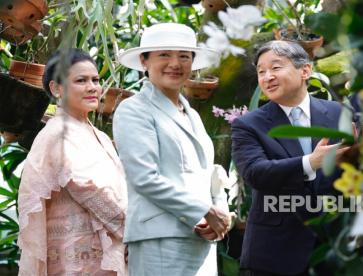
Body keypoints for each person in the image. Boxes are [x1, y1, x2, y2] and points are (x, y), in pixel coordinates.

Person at [113, 23, 230, 276]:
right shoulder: (134, 109)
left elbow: (208, 171)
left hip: (200, 238)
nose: (175, 63)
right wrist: (205, 211)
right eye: (164, 54)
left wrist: (221, 208)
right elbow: (144, 177)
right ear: (144, 61)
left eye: (184, 56)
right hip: (160, 238)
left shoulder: (191, 114)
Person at [231, 40, 350, 275]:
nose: (267, 77)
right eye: (261, 72)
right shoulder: (248, 125)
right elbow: (256, 173)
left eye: (275, 68)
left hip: (332, 250)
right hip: (274, 254)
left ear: (305, 70)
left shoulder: (339, 113)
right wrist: (310, 163)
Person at [17, 49, 128, 275]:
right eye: (81, 80)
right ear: (56, 89)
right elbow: (87, 188)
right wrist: (131, 232)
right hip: (74, 260)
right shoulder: (58, 132)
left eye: (95, 80)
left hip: (107, 252)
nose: (92, 87)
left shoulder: (100, 135)